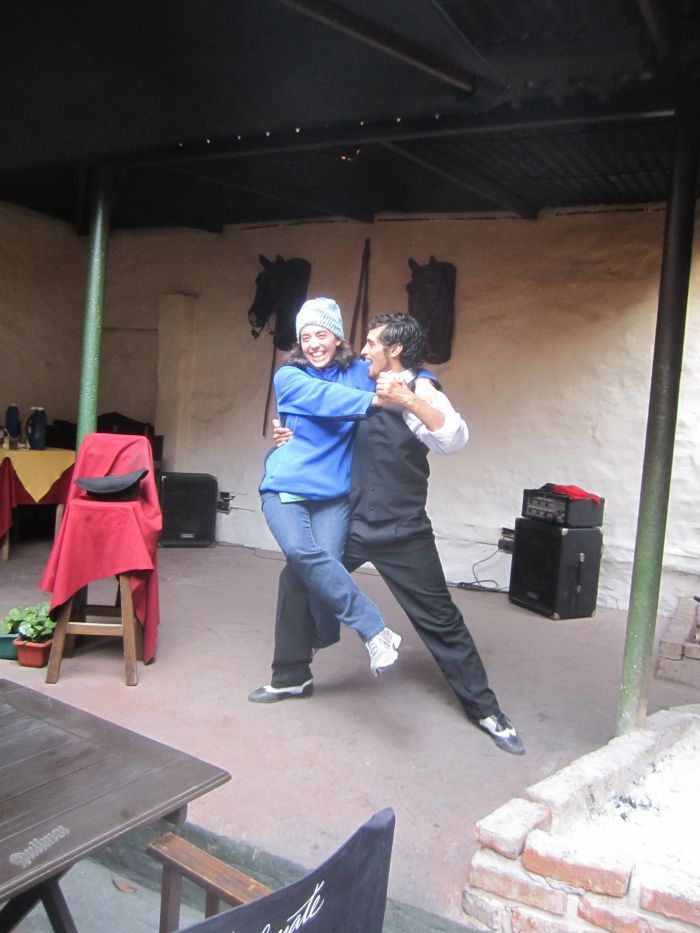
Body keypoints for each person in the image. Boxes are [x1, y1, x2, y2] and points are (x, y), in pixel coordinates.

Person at [250, 313, 525, 756]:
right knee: (297, 577)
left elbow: (453, 438)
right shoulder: (357, 379)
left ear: (394, 350)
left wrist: (409, 397)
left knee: (439, 617)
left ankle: (486, 709)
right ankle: (291, 675)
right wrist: (289, 435)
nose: (363, 350)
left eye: (372, 344)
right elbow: (318, 406)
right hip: (354, 521)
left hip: (404, 530)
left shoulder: (421, 389)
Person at [256, 297, 402, 688]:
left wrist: (425, 391)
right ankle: (375, 631)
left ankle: (312, 649)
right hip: (286, 487)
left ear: (337, 337)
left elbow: (402, 372)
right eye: (306, 337)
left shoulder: (359, 373)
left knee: (324, 569)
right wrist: (374, 400)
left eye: (321, 334)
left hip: (333, 494)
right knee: (304, 553)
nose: (313, 344)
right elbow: (324, 399)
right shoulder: (289, 376)